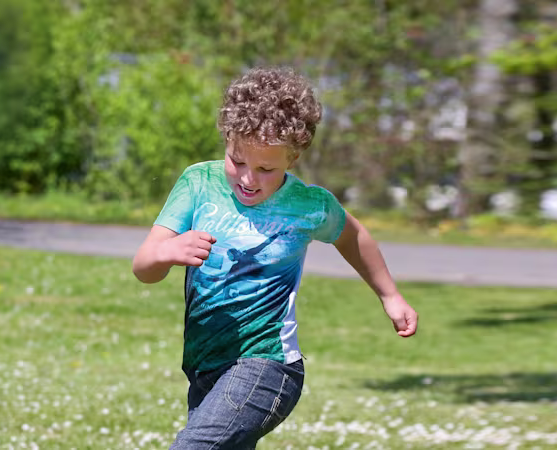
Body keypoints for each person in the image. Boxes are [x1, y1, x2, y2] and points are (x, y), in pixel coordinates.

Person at [131, 67, 418, 449]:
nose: (249, 179)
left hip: (268, 365)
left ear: (293, 157)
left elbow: (354, 236)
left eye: (266, 169)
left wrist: (390, 295)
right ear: (227, 140)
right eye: (238, 161)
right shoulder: (198, 184)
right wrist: (167, 252)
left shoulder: (308, 205)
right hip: (204, 366)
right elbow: (144, 267)